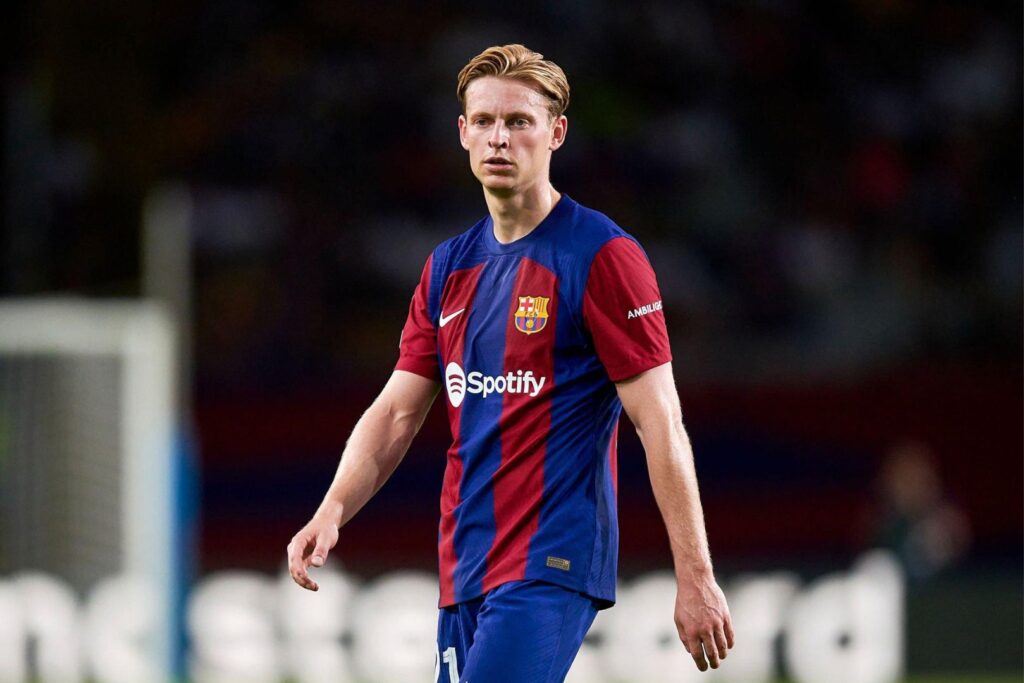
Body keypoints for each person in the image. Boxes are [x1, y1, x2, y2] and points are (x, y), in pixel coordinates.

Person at [286, 44, 734, 682]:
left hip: (551, 563)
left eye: (520, 121)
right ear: (463, 133)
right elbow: (396, 412)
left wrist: (696, 577)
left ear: (556, 133)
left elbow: (660, 421)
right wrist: (330, 510)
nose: (501, 137)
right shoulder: (448, 267)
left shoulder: (602, 256)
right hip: (463, 563)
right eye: (486, 121)